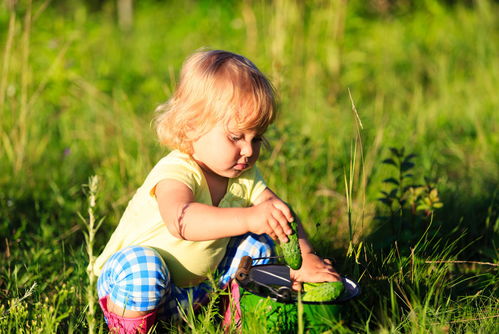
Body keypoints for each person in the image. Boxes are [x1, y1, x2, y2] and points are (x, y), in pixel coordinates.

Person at [92, 49, 340, 333]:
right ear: (192, 127)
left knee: (258, 242)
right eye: (236, 137)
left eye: (256, 138)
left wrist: (305, 256)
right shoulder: (176, 171)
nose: (248, 150)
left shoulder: (242, 173)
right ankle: (128, 329)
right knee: (143, 266)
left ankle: (233, 320)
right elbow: (182, 221)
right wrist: (248, 217)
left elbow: (279, 215)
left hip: (196, 291)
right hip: (132, 289)